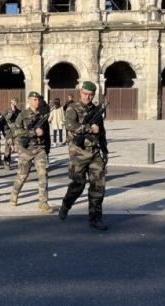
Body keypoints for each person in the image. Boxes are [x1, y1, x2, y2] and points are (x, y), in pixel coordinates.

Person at [59, 81, 109, 230]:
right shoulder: (72, 108)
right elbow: (69, 125)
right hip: (78, 153)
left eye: (91, 95)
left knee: (98, 186)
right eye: (85, 94)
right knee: (77, 185)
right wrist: (88, 128)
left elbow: (101, 132)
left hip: (94, 152)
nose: (87, 97)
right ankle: (66, 204)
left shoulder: (96, 110)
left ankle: (95, 218)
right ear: (80, 92)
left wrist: (105, 151)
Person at [11, 91, 52, 213]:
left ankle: (43, 202)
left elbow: (47, 134)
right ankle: (14, 192)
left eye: (38, 99)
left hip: (40, 149)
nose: (37, 102)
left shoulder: (42, 115)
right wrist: (33, 133)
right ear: (29, 101)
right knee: (22, 175)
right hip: (26, 150)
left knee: (43, 174)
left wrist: (47, 149)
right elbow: (17, 132)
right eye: (34, 99)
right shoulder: (22, 115)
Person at [2, 97, 21, 170]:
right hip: (9, 132)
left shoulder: (19, 111)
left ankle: (21, 164)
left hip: (16, 131)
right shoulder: (7, 111)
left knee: (19, 147)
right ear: (11, 102)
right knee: (8, 148)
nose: (15, 103)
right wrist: (12, 111)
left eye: (16, 101)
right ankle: (6, 164)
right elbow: (7, 119)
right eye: (14, 101)